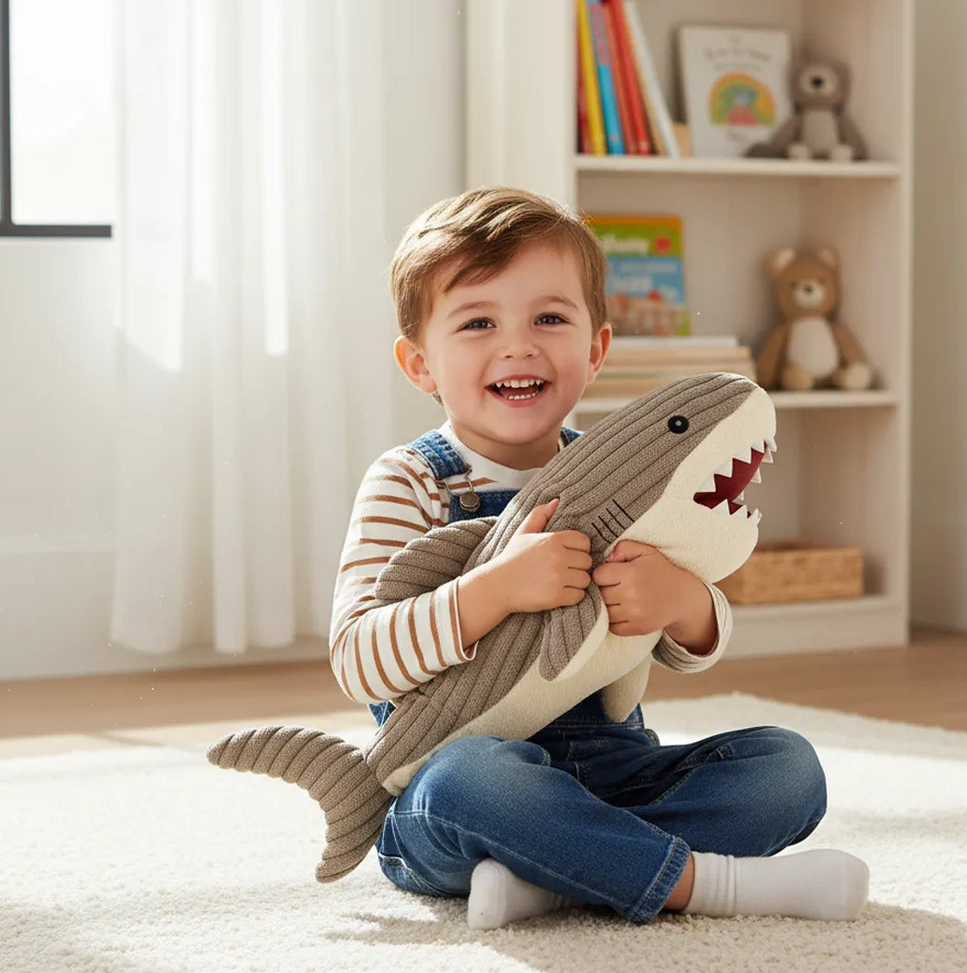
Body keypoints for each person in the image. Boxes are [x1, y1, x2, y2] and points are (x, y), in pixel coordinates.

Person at [329, 186, 869, 929]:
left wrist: (680, 601)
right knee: (470, 784)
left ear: (595, 349)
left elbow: (691, 644)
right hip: (455, 778)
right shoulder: (412, 481)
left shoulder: (630, 472)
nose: (517, 345)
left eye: (549, 319)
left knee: (786, 770)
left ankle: (555, 875)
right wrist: (495, 589)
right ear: (420, 364)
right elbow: (359, 656)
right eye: (478, 322)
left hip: (612, 772)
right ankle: (707, 885)